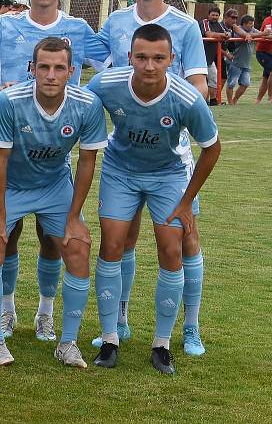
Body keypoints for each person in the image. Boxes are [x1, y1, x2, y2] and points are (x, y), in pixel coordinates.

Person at [93, 0, 210, 356]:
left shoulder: (186, 26)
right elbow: (98, 77)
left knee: (184, 242)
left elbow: (198, 84)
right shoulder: (116, 24)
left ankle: (190, 328)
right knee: (121, 240)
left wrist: (177, 108)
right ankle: (119, 320)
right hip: (125, 152)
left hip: (172, 152)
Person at [0, 0, 109, 344]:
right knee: (6, 233)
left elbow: (112, 67)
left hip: (54, 155)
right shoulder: (4, 27)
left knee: (51, 239)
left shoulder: (78, 29)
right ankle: (6, 312)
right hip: (9, 148)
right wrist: (1, 93)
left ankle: (45, 313)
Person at [87, 23, 220, 375]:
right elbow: (80, 108)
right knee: (112, 245)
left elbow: (212, 148)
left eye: (158, 58)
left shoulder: (186, 97)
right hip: (120, 172)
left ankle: (162, 344)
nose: (149, 66)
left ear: (171, 59)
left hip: (168, 176)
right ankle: (111, 336)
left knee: (171, 248)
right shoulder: (106, 83)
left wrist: (186, 200)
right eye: (141, 57)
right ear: (129, 56)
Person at [0, 37, 107, 368]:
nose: (51, 74)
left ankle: (64, 340)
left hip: (53, 186)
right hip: (10, 185)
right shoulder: (10, 100)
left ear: (71, 71)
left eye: (59, 68)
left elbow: (87, 162)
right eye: (44, 67)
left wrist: (75, 216)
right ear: (31, 69)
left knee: (77, 245)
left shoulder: (87, 104)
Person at [226, 14, 261, 105]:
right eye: (250, 24)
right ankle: (230, 103)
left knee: (245, 83)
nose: (252, 25)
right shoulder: (237, 29)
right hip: (235, 62)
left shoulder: (253, 30)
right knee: (231, 84)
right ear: (244, 24)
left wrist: (265, 33)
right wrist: (261, 34)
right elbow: (244, 35)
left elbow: (263, 34)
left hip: (246, 64)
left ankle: (234, 101)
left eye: (252, 24)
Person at [201, 5, 231, 105]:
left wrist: (226, 35)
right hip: (200, 57)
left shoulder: (218, 25)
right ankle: (201, 101)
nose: (214, 17)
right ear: (208, 15)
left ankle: (213, 101)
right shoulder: (205, 22)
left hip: (210, 58)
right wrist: (223, 35)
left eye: (216, 15)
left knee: (213, 78)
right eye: (213, 15)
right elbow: (209, 34)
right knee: (200, 81)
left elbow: (227, 34)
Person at [254, 13, 272, 103]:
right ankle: (270, 98)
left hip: (270, 53)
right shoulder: (268, 20)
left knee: (266, 77)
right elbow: (265, 35)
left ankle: (258, 101)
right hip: (263, 52)